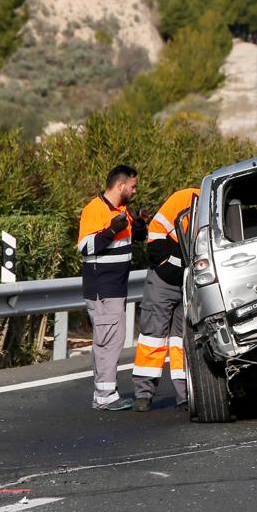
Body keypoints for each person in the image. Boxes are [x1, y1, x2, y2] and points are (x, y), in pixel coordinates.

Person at [77, 165, 148, 411]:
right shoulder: (94, 210)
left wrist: (138, 225)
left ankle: (103, 393)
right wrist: (111, 230)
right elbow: (86, 247)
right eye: (133, 185)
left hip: (114, 286)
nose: (134, 190)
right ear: (120, 186)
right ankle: (105, 395)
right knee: (110, 340)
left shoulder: (121, 210)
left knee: (106, 339)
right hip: (103, 288)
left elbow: (129, 239)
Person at [132, 187, 199, 412]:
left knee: (183, 340)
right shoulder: (184, 199)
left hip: (190, 283)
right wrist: (165, 264)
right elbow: (157, 231)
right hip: (164, 279)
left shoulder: (215, 206)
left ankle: (185, 394)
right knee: (153, 336)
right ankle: (144, 394)